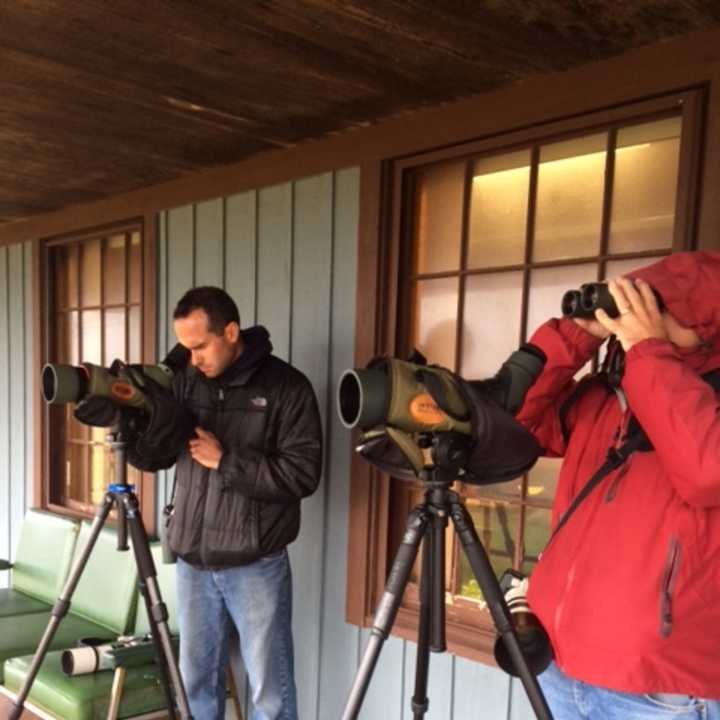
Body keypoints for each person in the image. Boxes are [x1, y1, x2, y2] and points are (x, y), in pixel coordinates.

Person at [512, 252, 720, 719]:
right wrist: (575, 337)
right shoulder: (612, 393)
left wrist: (649, 351)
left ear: (705, 322)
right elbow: (512, 424)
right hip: (560, 663)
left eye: (651, 307)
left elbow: (708, 471)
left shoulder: (673, 385)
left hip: (654, 689)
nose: (629, 320)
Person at [132, 286, 323, 720]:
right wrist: (136, 426)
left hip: (254, 562)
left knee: (269, 692)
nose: (193, 359)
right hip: (193, 561)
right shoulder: (185, 380)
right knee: (196, 684)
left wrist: (226, 461)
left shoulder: (286, 387)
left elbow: (303, 474)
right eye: (186, 347)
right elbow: (157, 457)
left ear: (231, 331)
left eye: (200, 346)